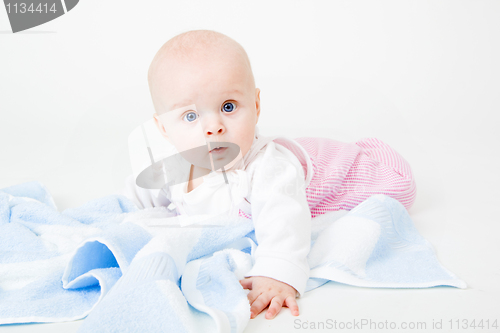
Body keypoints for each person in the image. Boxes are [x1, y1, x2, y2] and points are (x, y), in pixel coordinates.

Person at [123, 29, 416, 321]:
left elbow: (284, 222)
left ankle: (371, 156)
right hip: (305, 159)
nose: (213, 127)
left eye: (228, 107)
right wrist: (130, 214)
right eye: (190, 116)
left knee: (397, 188)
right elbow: (140, 197)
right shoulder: (175, 168)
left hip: (346, 172)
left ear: (256, 105)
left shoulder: (268, 168)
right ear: (163, 128)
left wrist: (278, 273)